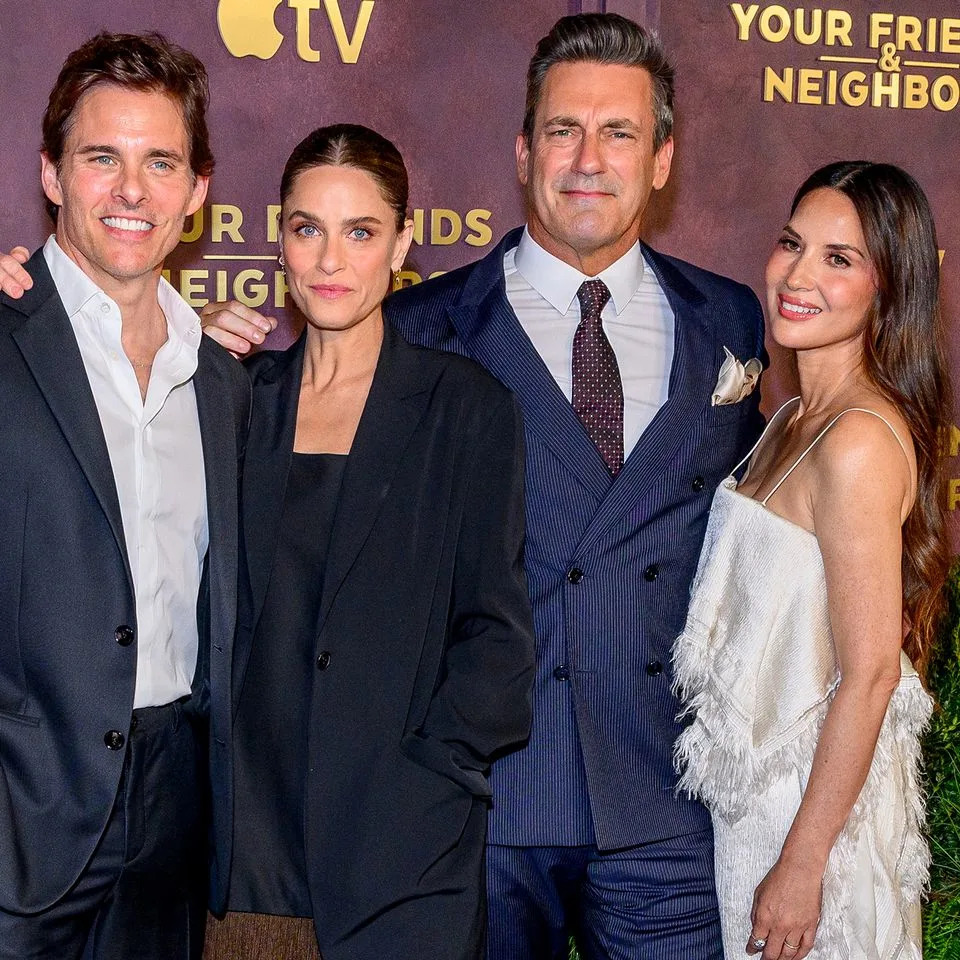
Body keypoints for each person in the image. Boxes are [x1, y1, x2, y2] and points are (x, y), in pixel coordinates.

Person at [193, 14, 766, 959]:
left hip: (665, 802)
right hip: (491, 814)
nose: (588, 159)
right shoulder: (415, 328)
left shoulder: (730, 319)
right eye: (561, 131)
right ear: (521, 151)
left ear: (662, 159)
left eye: (618, 132)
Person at [209, 123, 534, 960]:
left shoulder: (465, 409)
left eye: (359, 232)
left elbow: (496, 637)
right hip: (242, 851)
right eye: (307, 227)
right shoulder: (235, 401)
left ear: (402, 244)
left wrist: (428, 774)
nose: (329, 260)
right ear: (278, 237)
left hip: (400, 856)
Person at [0, 32, 250, 960]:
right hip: (21, 816)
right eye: (102, 158)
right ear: (53, 176)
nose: (132, 190)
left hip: (177, 812)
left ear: (197, 191)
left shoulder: (223, 379)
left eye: (161, 162)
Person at [672, 161, 949, 960]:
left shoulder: (859, 440)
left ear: (889, 289)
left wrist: (803, 860)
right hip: (752, 796)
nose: (797, 275)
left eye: (839, 258)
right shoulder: (793, 414)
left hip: (810, 812)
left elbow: (870, 674)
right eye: (793, 243)